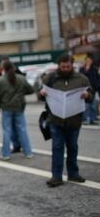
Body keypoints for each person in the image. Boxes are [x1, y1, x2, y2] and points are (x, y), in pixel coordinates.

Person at [39, 54, 92, 187]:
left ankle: (73, 174)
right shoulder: (49, 78)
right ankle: (56, 176)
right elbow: (40, 95)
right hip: (56, 120)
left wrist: (87, 95)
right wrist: (41, 94)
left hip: (74, 119)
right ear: (59, 65)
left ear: (72, 65)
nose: (65, 69)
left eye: (68, 66)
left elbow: (91, 95)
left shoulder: (81, 79)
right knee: (57, 147)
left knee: (73, 147)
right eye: (63, 67)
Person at [0, 61, 34, 160]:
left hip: (6, 107)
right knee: (22, 130)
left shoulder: (0, 80)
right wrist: (21, 93)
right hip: (19, 107)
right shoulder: (21, 78)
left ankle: (5, 154)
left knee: (7, 131)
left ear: (4, 69)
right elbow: (31, 90)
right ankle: (28, 152)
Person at [0, 57, 22, 153]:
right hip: (6, 105)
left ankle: (20, 145)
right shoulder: (0, 75)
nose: (2, 65)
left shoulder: (16, 73)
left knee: (18, 127)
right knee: (10, 128)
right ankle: (16, 145)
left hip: (16, 105)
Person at [79, 55, 99, 125]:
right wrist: (86, 69)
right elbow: (81, 77)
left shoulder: (94, 69)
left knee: (92, 105)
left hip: (93, 89)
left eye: (90, 61)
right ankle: (84, 119)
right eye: (87, 60)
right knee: (85, 105)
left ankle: (92, 119)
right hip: (85, 89)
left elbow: (97, 78)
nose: (88, 62)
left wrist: (97, 86)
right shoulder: (82, 69)